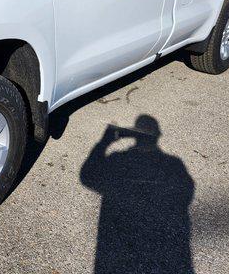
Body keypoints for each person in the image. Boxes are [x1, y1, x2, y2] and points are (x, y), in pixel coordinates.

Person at [80, 115, 195, 274]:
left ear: (133, 135)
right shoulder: (173, 166)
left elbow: (87, 176)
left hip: (118, 253)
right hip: (160, 253)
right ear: (158, 136)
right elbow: (186, 194)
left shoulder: (117, 162)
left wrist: (104, 142)